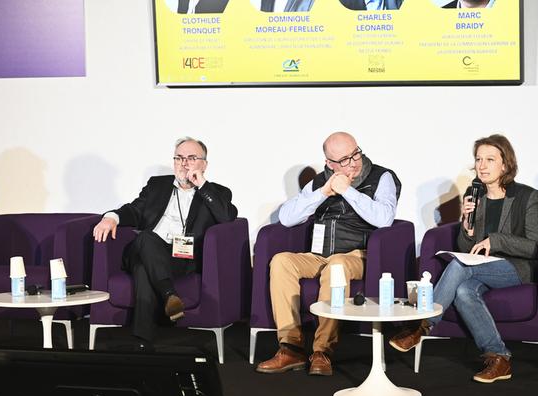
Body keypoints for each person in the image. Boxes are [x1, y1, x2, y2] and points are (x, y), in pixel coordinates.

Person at [389, 135, 538, 383]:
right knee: (463, 291)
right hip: (480, 268)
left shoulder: (528, 197)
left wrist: (497, 241)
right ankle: (499, 357)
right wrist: (467, 226)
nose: (482, 165)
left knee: (459, 266)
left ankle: (423, 325)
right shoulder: (477, 195)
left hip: (516, 267)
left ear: (505, 164)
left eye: (490, 159)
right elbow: (467, 248)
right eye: (478, 159)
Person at [256, 131, 401, 376]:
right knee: (281, 261)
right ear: (330, 164)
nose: (353, 162)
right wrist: (323, 192)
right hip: (318, 255)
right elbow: (287, 218)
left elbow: (385, 219)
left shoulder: (381, 176)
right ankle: (290, 347)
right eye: (344, 160)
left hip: (357, 255)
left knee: (336, 265)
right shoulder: (319, 182)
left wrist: (348, 191)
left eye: (356, 154)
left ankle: (322, 351)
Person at [92, 137, 238, 351]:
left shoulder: (216, 192)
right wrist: (112, 217)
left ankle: (143, 342)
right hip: (145, 247)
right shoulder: (157, 185)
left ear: (203, 164)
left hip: (181, 258)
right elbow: (134, 210)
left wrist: (202, 186)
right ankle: (169, 295)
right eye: (179, 158)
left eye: (191, 158)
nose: (184, 163)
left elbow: (227, 217)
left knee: (143, 269)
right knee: (146, 238)